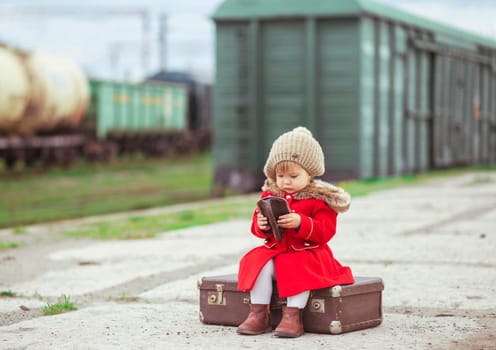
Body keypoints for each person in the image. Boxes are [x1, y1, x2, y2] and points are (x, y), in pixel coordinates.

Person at [236, 126, 354, 338]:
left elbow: (326, 230)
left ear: (310, 174)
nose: (286, 181)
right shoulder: (270, 194)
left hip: (309, 254)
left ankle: (292, 316)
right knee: (256, 261)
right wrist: (262, 224)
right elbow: (257, 223)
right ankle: (258, 313)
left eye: (293, 175)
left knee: (296, 266)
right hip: (277, 251)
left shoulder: (319, 198)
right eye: (280, 175)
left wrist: (302, 223)